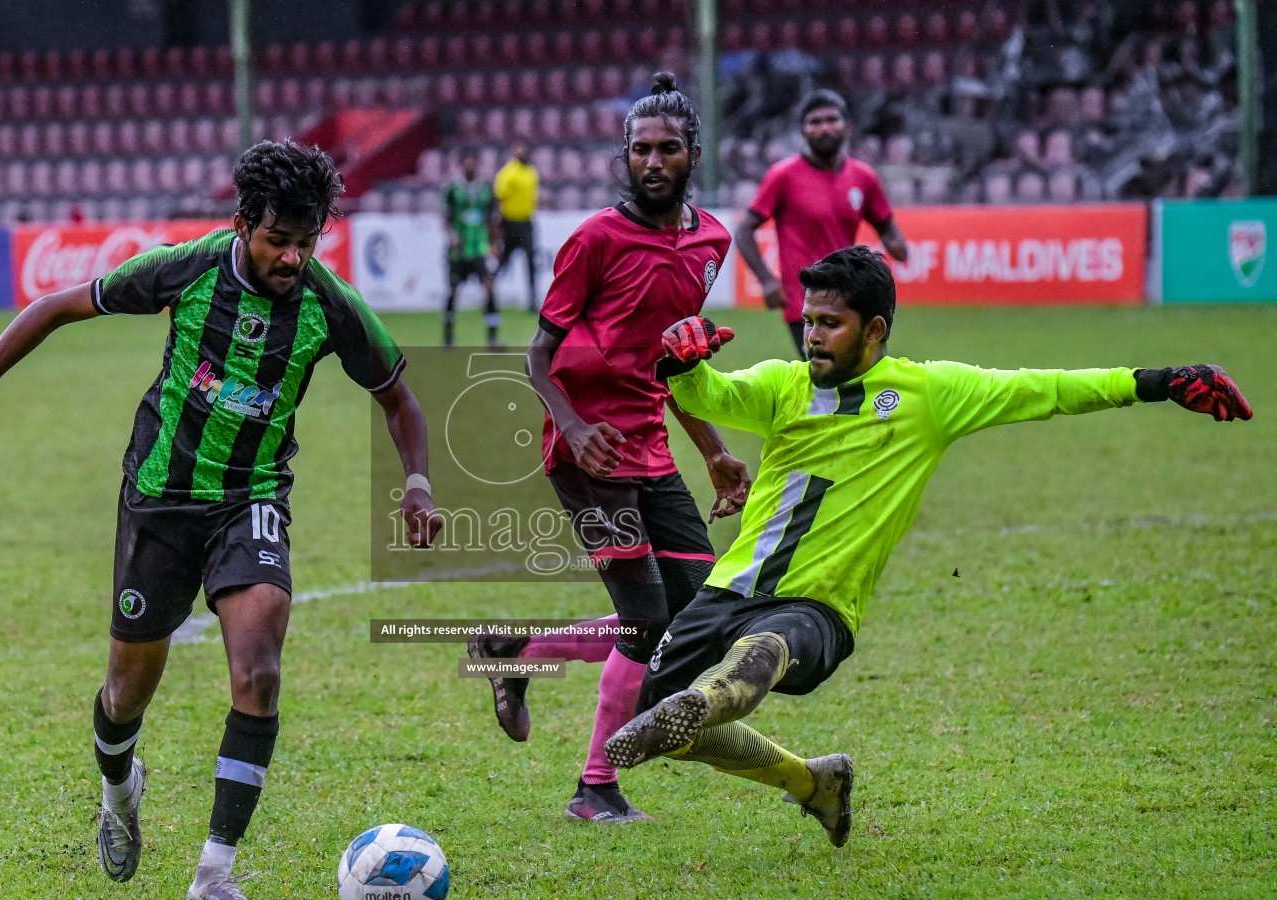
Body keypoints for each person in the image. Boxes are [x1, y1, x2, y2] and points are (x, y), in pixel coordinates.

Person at [0, 141, 442, 900]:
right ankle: (120, 787)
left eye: (306, 240)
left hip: (250, 497)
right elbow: (54, 307)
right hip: (159, 498)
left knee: (257, 670)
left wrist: (418, 486)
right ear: (241, 225)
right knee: (126, 694)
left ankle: (214, 876)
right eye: (276, 240)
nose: (292, 256)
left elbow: (401, 399)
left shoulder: (330, 304)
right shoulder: (185, 269)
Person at [604, 246, 1253, 845]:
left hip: (816, 608)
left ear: (876, 330)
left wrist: (1161, 381)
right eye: (809, 321)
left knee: (763, 653)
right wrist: (681, 366)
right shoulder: (785, 384)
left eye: (831, 323)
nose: (813, 335)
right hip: (729, 589)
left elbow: (1044, 389)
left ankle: (706, 700)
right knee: (659, 724)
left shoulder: (928, 395)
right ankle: (813, 781)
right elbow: (714, 394)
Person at [470, 73, 752, 824]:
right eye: (639, 150)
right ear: (623, 157)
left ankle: (515, 656)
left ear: (693, 153)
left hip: (652, 450)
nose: (652, 161)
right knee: (641, 619)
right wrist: (574, 425)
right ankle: (595, 787)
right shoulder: (594, 239)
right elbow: (538, 357)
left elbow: (675, 367)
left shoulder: (710, 242)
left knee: (693, 612)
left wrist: (715, 452)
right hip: (586, 459)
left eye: (666, 149)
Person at [734, 90, 909, 360]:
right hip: (805, 302)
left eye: (831, 119)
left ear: (846, 126)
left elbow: (886, 225)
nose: (824, 128)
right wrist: (767, 281)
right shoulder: (783, 176)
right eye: (815, 122)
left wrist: (896, 243)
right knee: (825, 382)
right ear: (802, 131)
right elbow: (745, 230)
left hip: (851, 297)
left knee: (854, 380)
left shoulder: (863, 177)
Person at [442, 147, 501, 349]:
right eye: (466, 163)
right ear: (461, 165)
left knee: (489, 288)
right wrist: (452, 235)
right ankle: (448, 337)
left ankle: (492, 338)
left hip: (479, 248)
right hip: (458, 250)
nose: (470, 166)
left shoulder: (486, 188)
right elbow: (445, 218)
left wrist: (494, 243)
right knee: (452, 290)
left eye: (473, 162)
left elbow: (493, 218)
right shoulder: (451, 188)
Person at [494, 141, 540, 311]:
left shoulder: (531, 172)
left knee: (530, 261)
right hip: (510, 222)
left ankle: (532, 300)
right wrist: (498, 223)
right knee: (503, 260)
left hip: (526, 222)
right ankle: (489, 292)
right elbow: (500, 198)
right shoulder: (507, 173)